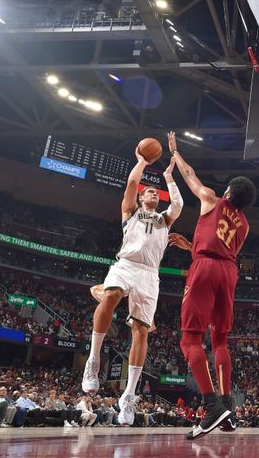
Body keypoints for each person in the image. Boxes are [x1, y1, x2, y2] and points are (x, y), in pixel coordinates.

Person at [82, 147, 182, 428]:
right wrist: (141, 162)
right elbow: (130, 184)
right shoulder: (130, 212)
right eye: (148, 192)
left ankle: (128, 395)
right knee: (112, 294)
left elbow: (178, 205)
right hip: (126, 265)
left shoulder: (165, 219)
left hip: (150, 276)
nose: (153, 193)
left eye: (155, 192)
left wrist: (169, 178)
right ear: (140, 198)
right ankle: (93, 361)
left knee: (140, 331)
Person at [166, 131, 257, 440]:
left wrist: (175, 153)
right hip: (228, 271)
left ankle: (211, 405)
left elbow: (189, 176)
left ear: (229, 191)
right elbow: (222, 249)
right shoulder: (245, 225)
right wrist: (188, 246)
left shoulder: (211, 198)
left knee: (190, 339)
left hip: (205, 267)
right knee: (220, 341)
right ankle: (227, 402)